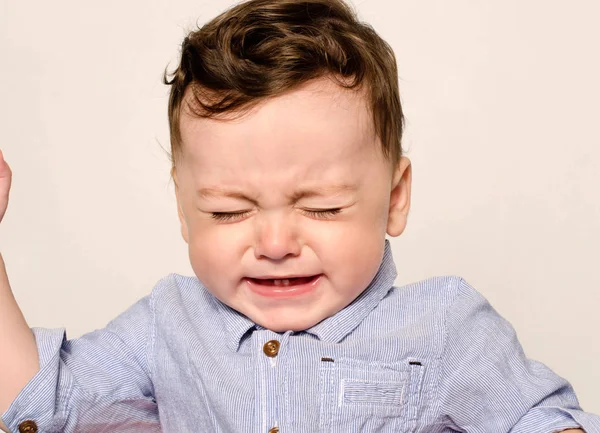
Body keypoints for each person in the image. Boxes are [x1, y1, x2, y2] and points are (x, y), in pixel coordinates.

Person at [1, 0, 599, 431]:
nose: (277, 241)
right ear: (184, 211)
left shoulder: (446, 329)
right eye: (228, 211)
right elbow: (39, 400)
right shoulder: (168, 327)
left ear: (394, 198)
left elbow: (542, 420)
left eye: (322, 207)